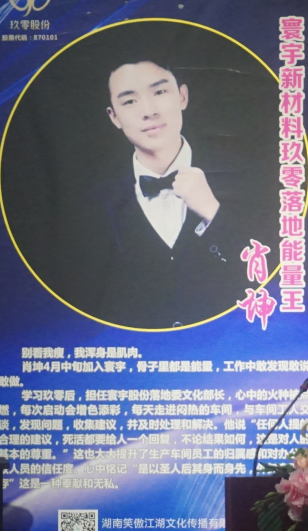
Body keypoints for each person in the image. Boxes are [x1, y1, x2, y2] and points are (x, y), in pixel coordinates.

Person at [52, 56, 274, 329]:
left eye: (159, 92)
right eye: (129, 101)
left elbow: (280, 269)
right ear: (114, 117)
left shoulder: (249, 172)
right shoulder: (90, 203)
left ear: (182, 96)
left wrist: (213, 211)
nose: (149, 111)